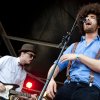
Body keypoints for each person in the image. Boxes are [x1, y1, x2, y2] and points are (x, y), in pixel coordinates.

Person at [45, 3, 100, 100]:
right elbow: (56, 65)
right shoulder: (74, 46)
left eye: (92, 17)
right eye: (86, 17)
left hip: (90, 89)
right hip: (68, 86)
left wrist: (78, 56)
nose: (87, 19)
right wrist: (50, 80)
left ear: (99, 24)